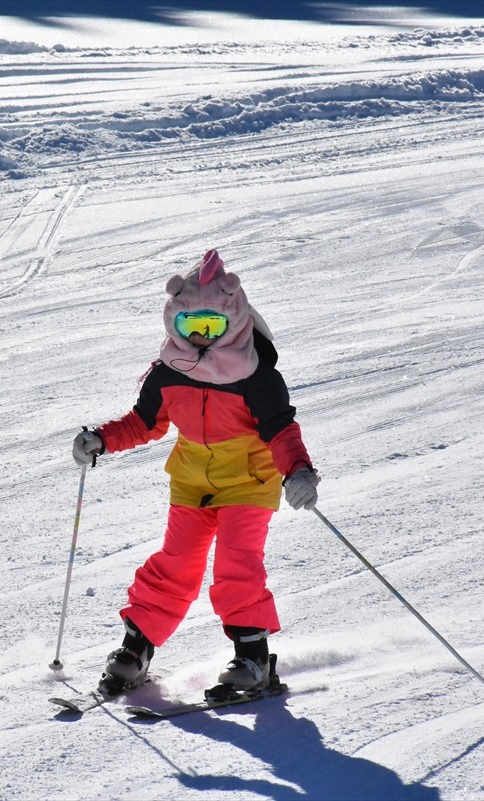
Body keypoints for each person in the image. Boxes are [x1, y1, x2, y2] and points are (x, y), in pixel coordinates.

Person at [72, 248, 320, 695]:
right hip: (191, 483)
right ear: (174, 322)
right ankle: (136, 648)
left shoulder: (255, 374)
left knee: (236, 565)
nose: (201, 339)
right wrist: (102, 439)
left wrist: (299, 471)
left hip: (249, 481)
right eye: (190, 326)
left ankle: (253, 657)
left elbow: (281, 430)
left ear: (234, 319)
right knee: (175, 564)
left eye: (212, 326)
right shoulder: (168, 372)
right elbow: (145, 422)